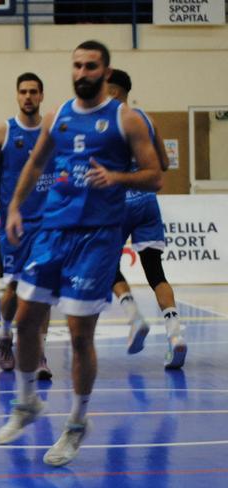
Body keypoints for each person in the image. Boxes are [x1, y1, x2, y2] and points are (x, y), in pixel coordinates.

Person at [0, 40, 162, 467]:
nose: (82, 72)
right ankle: (28, 402)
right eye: (76, 65)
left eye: (90, 66)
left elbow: (155, 176)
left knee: (78, 333)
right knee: (24, 319)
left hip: (98, 237)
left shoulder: (127, 120)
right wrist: (13, 207)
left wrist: (118, 176)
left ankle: (75, 425)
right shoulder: (60, 117)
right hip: (53, 230)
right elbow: (34, 165)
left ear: (105, 73)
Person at [105, 69, 186, 369]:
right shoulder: (147, 119)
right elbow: (163, 163)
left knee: (106, 266)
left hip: (119, 202)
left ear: (112, 92)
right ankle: (175, 335)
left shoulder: (109, 122)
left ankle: (133, 316)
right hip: (147, 203)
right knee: (155, 272)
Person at [0, 72, 53, 379]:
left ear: (42, 95)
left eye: (34, 91)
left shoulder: (52, 132)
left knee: (42, 291)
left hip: (47, 225)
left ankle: (40, 353)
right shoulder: (2, 132)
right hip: (14, 224)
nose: (28, 97)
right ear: (17, 95)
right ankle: (5, 333)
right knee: (14, 288)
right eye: (23, 92)